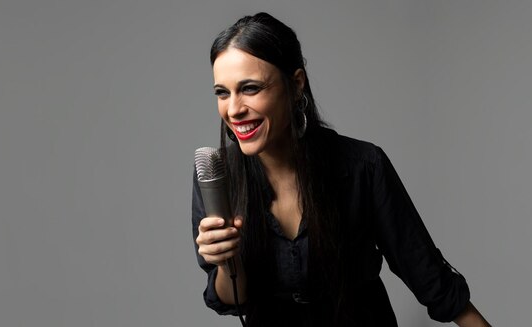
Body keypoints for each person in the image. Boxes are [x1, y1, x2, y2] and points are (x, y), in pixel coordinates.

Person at [192, 12, 490, 327]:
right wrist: (228, 264)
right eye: (222, 92)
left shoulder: (363, 166)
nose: (233, 109)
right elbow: (230, 299)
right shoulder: (217, 176)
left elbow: (431, 279)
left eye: (250, 88)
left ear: (295, 85)